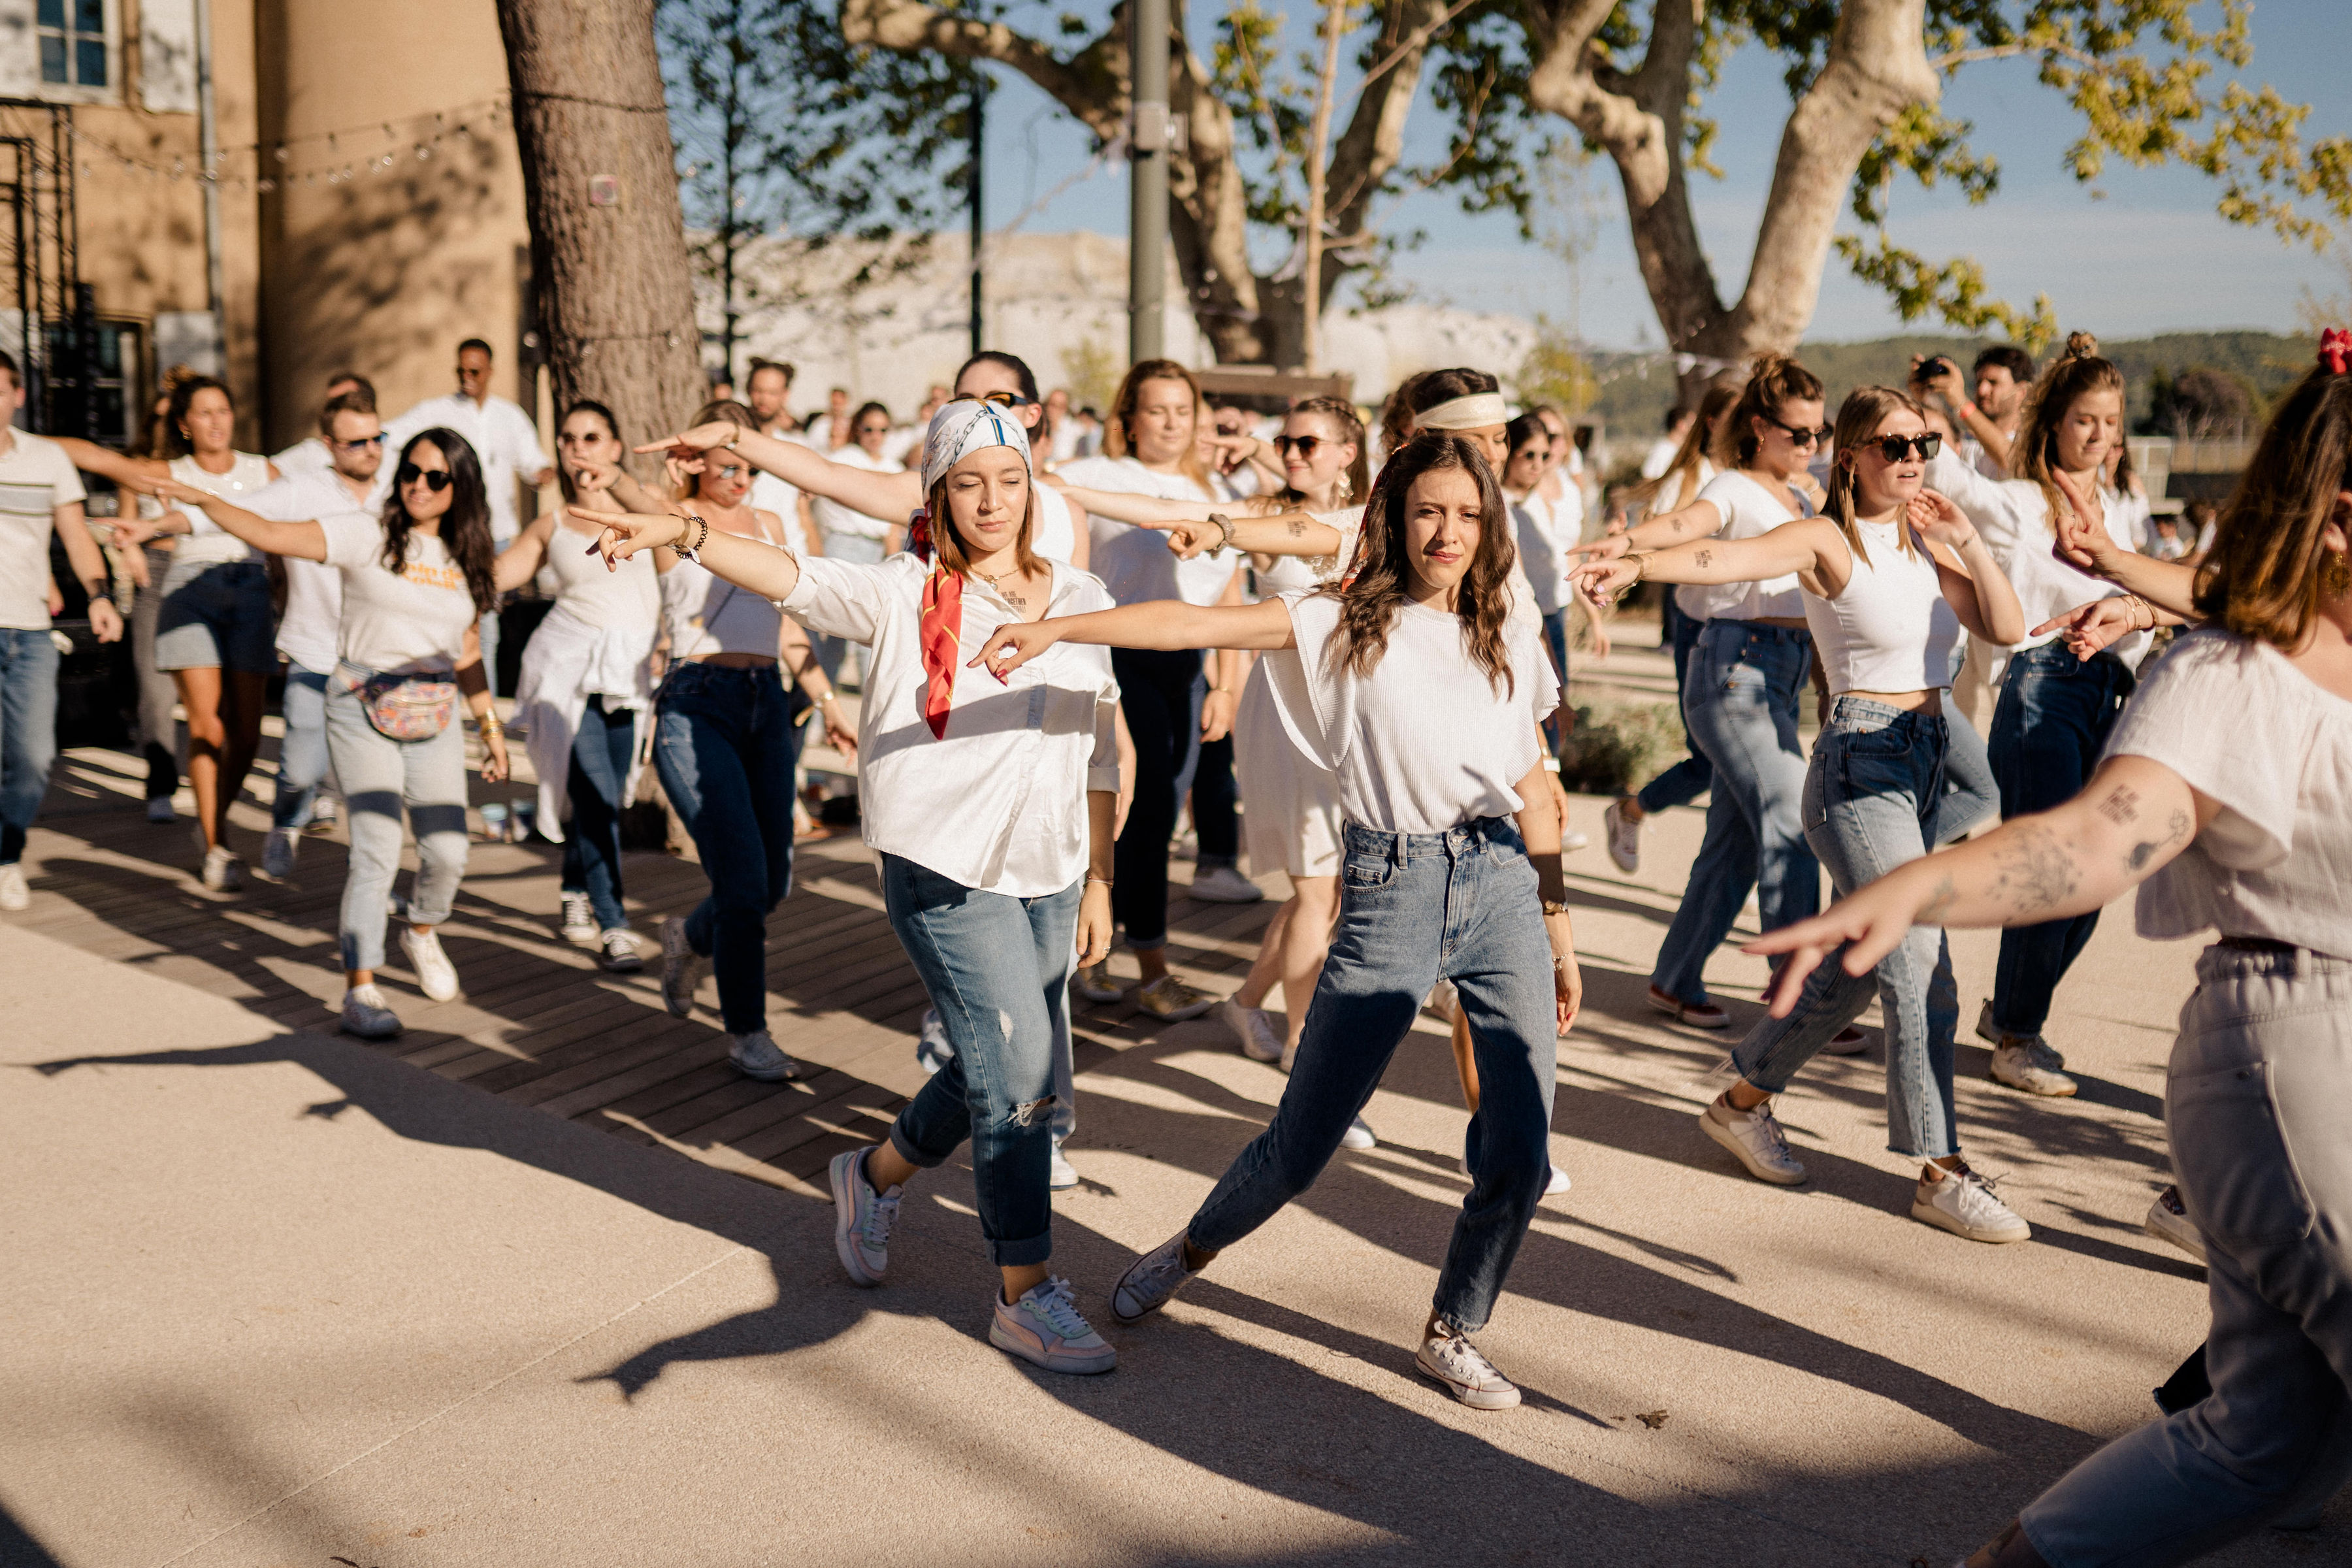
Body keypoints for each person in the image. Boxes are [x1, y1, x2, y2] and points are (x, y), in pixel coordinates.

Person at [1752, 339, 2352, 1568]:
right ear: (2340, 516)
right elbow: (2093, 841)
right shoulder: (2238, 672)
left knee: (2262, 1441)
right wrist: (1910, 889)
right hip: (2301, 1055)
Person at [979, 433, 1584, 1410]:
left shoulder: (1504, 619)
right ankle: (1192, 1247)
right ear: (1395, 514)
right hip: (1393, 886)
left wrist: (1558, 928)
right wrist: (1059, 632)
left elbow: (1532, 783)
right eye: (1429, 509)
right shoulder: (1339, 617)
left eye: (1469, 515)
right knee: (1302, 1144)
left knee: (1520, 1146)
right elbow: (1182, 625)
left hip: (1504, 882)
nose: (1449, 533)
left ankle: (1455, 1327)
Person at [587, 397, 1126, 1376]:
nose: (993, 501)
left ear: (1033, 486)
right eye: (969, 484)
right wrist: (690, 532)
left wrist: (1101, 877)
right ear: (939, 495)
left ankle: (871, 1175)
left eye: (1010, 481)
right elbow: (790, 573)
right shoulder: (899, 590)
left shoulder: (1079, 588)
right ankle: (1024, 1290)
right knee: (1017, 1064)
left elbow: (1098, 744)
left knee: (997, 1060)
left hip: (1050, 866)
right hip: (943, 864)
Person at [1573, 385, 2030, 1239]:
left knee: (1857, 967)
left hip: (1933, 760)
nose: (1913, 458)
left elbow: (2006, 624)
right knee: (1920, 963)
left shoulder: (1928, 548)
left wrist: (1964, 538)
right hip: (1861, 767)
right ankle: (1942, 1169)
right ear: (1850, 456)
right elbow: (1725, 560)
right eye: (1893, 445)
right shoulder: (1828, 540)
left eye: (1923, 443)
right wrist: (1636, 563)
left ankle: (1743, 1099)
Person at [147, 430, 512, 1037]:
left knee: (449, 851)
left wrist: (490, 725)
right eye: (411, 473)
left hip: (435, 710)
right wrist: (203, 503)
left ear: (461, 489)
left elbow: (468, 647)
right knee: (374, 847)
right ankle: (361, 988)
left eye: (436, 478)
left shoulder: (467, 562)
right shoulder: (366, 532)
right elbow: (269, 533)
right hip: (361, 701)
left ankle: (421, 928)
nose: (419, 486)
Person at [1910, 333, 2153, 1098]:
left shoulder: (2123, 509)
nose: (2101, 438)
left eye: (2112, 424)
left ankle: (2012, 1012)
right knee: (2053, 865)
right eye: (2086, 421)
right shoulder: (2021, 502)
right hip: (2044, 685)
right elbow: (1959, 483)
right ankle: (2019, 1036)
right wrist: (1930, 408)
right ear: (2053, 423)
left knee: (2102, 872)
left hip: (2115, 693)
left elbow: (2154, 601)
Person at [1574, 353, 1829, 1030]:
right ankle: (1801, 996)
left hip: (1782, 669)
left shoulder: (1806, 495)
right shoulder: (1736, 486)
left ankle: (1675, 978)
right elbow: (1688, 524)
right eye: (1797, 433)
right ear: (1758, 426)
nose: (1810, 445)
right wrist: (1626, 548)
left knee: (1736, 842)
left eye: (1818, 433)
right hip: (1734, 668)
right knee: (1788, 823)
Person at [625, 400, 851, 1079]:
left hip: (766, 706)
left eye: (747, 463)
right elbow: (633, 496)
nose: (740, 478)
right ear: (694, 459)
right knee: (744, 881)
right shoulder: (673, 524)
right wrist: (667, 483)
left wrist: (828, 702)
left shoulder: (773, 524)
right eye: (726, 464)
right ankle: (748, 1032)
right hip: (698, 707)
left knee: (772, 879)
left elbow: (789, 627)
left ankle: (686, 936)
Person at [1053, 359, 1243, 1019]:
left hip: (1185, 666)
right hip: (1118, 658)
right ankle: (1144, 966)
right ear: (1129, 418)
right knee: (1138, 808)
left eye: (1183, 410)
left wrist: (1227, 682)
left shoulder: (1214, 486)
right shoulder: (1092, 478)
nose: (1170, 422)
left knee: (1158, 818)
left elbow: (1232, 591)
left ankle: (1106, 952)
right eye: (1156, 410)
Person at [59, 378, 280, 891]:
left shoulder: (264, 470)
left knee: (246, 734)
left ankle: (212, 819)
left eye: (223, 410)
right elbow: (102, 460)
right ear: (184, 425)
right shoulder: (168, 472)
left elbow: (290, 529)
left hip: (250, 592)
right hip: (189, 593)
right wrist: (22, 440)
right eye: (203, 413)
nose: (216, 421)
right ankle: (217, 841)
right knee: (207, 726)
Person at [497, 402, 668, 973]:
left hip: (631, 672)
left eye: (592, 437)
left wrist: (618, 488)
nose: (578, 449)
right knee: (594, 797)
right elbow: (499, 575)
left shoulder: (645, 513)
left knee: (608, 799)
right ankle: (614, 924)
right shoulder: (551, 524)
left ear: (615, 448)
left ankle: (574, 886)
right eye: (569, 439)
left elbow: (677, 537)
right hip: (567, 672)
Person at [236, 388, 384, 881]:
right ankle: (285, 823)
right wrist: (178, 518)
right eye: (356, 443)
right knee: (301, 768)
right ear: (328, 445)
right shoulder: (304, 489)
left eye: (376, 438)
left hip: (379, 656)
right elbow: (241, 514)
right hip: (314, 650)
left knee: (371, 775)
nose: (370, 450)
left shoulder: (401, 491)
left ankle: (370, 868)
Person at [0, 350, 122, 911]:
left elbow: (76, 535)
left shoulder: (47, 460)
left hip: (29, 631)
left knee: (33, 758)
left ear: (18, 396)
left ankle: (6, 852)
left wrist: (99, 596)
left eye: (1, 389)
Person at [1602, 383, 1740, 873]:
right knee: (1710, 759)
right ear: (1711, 422)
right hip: (1697, 625)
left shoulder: (1752, 476)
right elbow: (1656, 539)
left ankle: (1724, 869)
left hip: (1746, 632)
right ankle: (1632, 810)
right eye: (1737, 416)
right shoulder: (1689, 477)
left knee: (1733, 762)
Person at [383, 338, 558, 696]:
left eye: (475, 371)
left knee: (484, 629)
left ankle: (483, 708)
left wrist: (551, 474)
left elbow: (534, 465)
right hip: (448, 535)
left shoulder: (509, 416)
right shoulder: (436, 411)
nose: (467, 377)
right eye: (461, 370)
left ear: (490, 371)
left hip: (496, 538)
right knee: (441, 617)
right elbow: (389, 436)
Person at [269, 371, 374, 481]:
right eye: (331, 406)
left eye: (344, 402)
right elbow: (268, 471)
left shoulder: (389, 440)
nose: (333, 412)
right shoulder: (313, 452)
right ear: (328, 444)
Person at [745, 359, 798, 437]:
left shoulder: (796, 442)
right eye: (758, 391)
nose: (764, 400)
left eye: (772, 393)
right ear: (748, 390)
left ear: (785, 395)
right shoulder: (732, 433)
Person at [1641, 405, 1692, 480]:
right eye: (1691, 423)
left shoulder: (1689, 449)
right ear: (1680, 424)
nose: (1694, 427)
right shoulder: (1661, 449)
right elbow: (1648, 478)